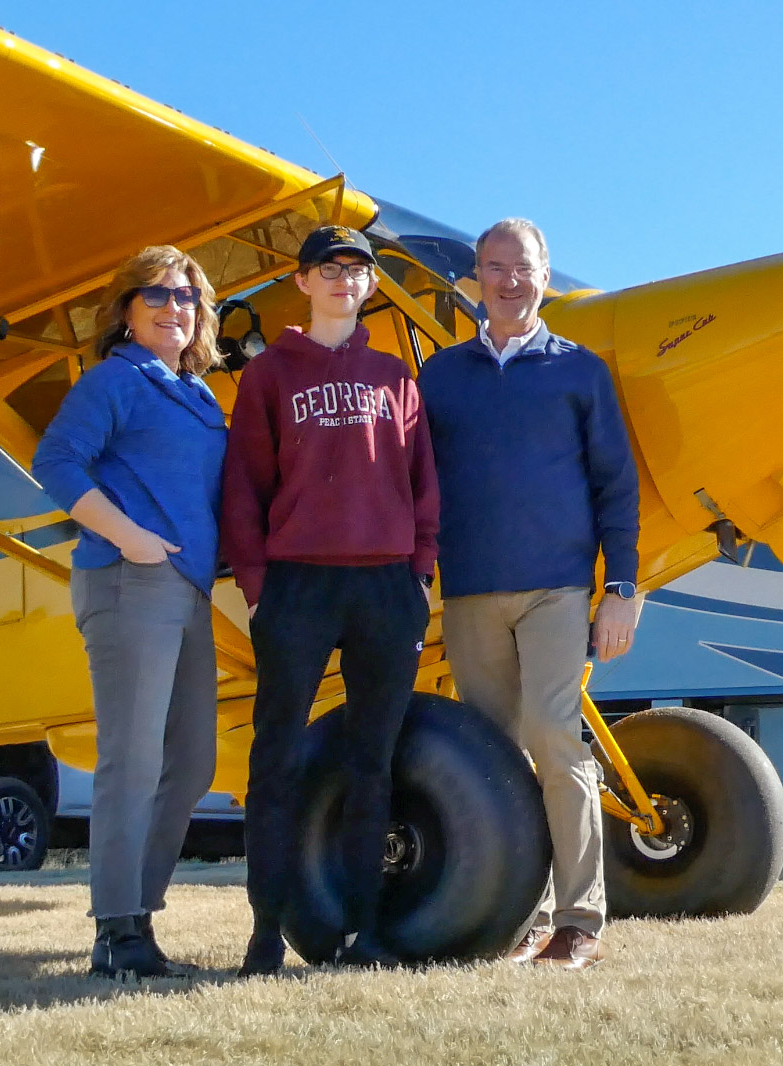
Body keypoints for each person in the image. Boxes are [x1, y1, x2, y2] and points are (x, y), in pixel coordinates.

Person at [418, 218, 640, 971]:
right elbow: (415, 486)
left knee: (552, 733)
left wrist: (625, 589)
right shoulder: (441, 377)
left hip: (558, 589)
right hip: (471, 591)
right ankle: (522, 915)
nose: (509, 281)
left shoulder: (580, 371)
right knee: (494, 752)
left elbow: (617, 484)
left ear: (547, 275)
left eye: (523, 267)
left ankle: (580, 920)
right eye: (494, 267)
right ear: (476, 277)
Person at [220, 225, 439, 973]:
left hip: (385, 586)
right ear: (304, 282)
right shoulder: (269, 375)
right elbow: (244, 489)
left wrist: (419, 575)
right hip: (298, 584)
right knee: (277, 756)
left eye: (357, 268)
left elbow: (422, 487)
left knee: (370, 762)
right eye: (328, 267)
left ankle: (363, 932)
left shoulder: (396, 378)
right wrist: (257, 588)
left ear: (371, 284)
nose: (344, 278)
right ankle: (264, 932)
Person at [32, 245, 227, 980]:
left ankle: (137, 915)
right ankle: (117, 930)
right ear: (126, 311)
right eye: (157, 295)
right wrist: (130, 536)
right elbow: (56, 461)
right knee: (134, 759)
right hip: (129, 581)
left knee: (192, 762)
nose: (173, 306)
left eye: (186, 296)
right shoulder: (116, 379)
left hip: (188, 589)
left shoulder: (198, 396)